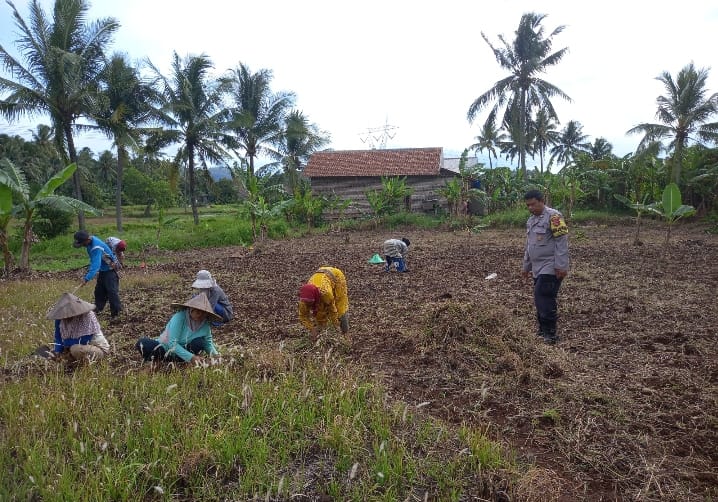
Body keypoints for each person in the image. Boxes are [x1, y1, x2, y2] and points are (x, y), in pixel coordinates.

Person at [521, 190, 570, 345]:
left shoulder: (554, 217)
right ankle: (542, 331)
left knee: (543, 295)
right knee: (540, 298)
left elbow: (561, 242)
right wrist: (526, 267)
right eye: (528, 205)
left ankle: (550, 333)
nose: (530, 208)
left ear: (542, 201)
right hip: (537, 267)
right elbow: (529, 245)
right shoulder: (531, 220)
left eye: (533, 204)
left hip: (551, 265)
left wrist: (561, 266)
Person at [135, 293, 221, 365]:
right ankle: (158, 360)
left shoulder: (205, 325)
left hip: (184, 352)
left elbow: (208, 343)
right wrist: (191, 357)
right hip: (165, 349)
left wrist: (216, 356)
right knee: (143, 343)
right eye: (198, 312)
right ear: (191, 309)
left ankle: (180, 362)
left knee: (200, 342)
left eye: (203, 313)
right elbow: (172, 343)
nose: (200, 315)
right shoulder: (180, 317)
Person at [73, 230, 122, 320]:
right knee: (99, 291)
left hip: (110, 270)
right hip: (103, 270)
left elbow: (96, 265)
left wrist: (86, 278)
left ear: (87, 240)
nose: (83, 245)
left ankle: (116, 313)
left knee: (111, 292)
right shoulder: (90, 243)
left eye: (82, 243)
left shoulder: (96, 247)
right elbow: (94, 261)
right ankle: (98, 309)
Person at [48, 292, 110, 363]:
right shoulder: (60, 318)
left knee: (75, 349)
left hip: (97, 348)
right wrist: (57, 351)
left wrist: (65, 345)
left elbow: (84, 340)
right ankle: (69, 359)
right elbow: (58, 337)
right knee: (54, 352)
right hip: (74, 345)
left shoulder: (87, 316)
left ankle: (82, 363)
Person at [298, 266, 349, 339]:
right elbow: (303, 316)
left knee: (340, 308)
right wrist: (312, 329)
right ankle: (322, 331)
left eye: (311, 303)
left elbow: (333, 310)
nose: (309, 305)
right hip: (320, 276)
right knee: (319, 311)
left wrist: (336, 325)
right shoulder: (304, 300)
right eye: (307, 304)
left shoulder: (326, 294)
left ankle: (345, 334)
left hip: (336, 276)